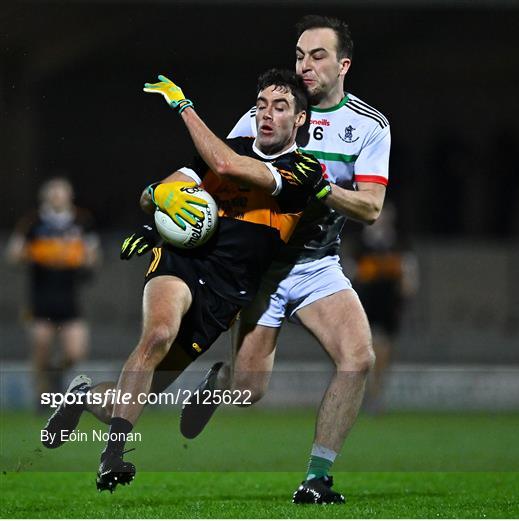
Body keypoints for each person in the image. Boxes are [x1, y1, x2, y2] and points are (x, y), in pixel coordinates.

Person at [41, 69, 329, 493]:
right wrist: (158, 197)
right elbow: (155, 193)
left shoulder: (305, 171)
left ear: (300, 119)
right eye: (261, 105)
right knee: (157, 334)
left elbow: (226, 166)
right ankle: (113, 456)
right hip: (183, 263)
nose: (267, 115)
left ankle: (81, 396)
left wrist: (184, 105)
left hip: (229, 291)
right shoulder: (225, 148)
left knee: (135, 396)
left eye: (280, 107)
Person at [180, 15, 390, 504]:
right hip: (260, 268)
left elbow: (371, 208)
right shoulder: (273, 111)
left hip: (318, 265)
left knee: (358, 358)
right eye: (299, 55)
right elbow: (222, 165)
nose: (305, 65)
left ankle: (317, 478)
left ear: (343, 64)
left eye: (317, 56)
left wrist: (320, 187)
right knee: (248, 391)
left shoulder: (368, 126)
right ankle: (219, 384)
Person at [5, 177, 101, 410]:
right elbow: (13, 253)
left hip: (69, 299)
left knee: (75, 352)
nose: (58, 197)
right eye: (54, 193)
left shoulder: (82, 221)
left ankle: (57, 376)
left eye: (62, 192)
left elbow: (94, 255)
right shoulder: (33, 222)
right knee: (41, 347)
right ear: (45, 197)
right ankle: (42, 397)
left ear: (70, 196)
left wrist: (81, 257)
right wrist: (36, 253)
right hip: (40, 299)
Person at [345, 202, 419, 413]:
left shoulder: (399, 243)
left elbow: (409, 271)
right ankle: (357, 393)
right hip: (363, 303)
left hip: (388, 304)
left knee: (383, 348)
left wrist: (407, 289)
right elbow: (348, 273)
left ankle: (376, 394)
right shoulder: (359, 243)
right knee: (359, 349)